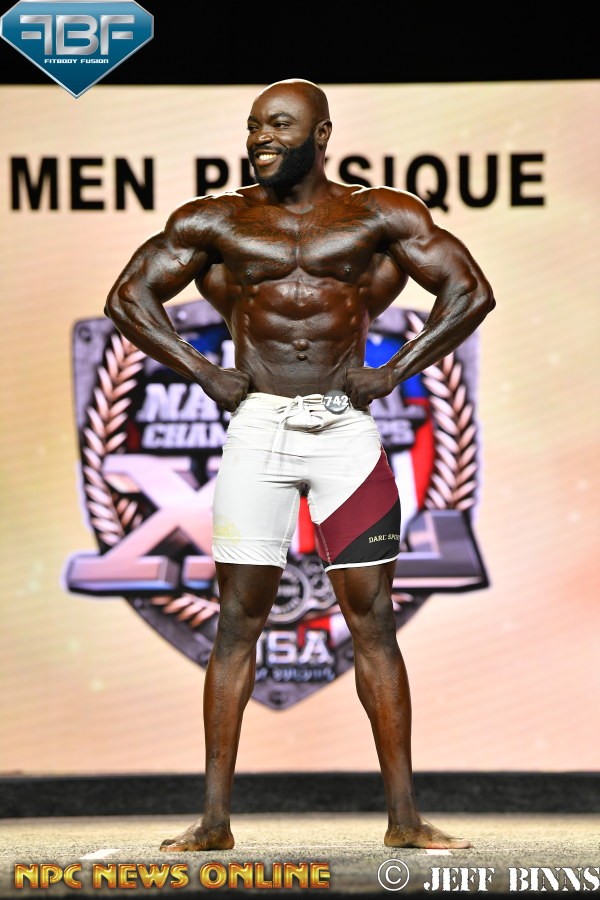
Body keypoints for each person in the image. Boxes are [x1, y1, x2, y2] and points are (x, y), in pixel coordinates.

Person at [104, 78, 495, 851]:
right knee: (236, 623)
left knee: (373, 621)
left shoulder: (377, 215)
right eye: (255, 125)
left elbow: (470, 291)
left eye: (279, 125)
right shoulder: (218, 219)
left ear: (321, 135)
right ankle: (214, 822)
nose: (261, 137)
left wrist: (395, 371)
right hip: (259, 429)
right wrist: (201, 370)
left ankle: (405, 820)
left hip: (345, 431)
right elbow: (127, 298)